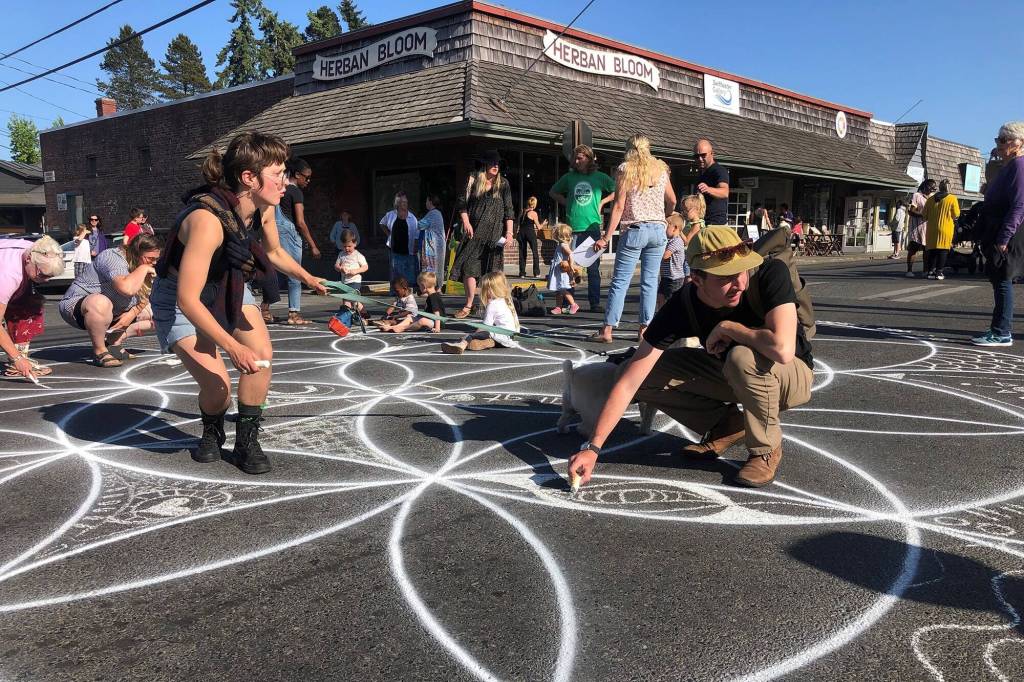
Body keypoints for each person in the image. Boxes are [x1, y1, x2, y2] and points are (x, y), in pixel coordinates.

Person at [567, 226, 814, 489]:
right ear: (697, 279)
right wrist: (593, 448)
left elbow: (782, 349)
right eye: (725, 277)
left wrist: (730, 328)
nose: (740, 284)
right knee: (636, 372)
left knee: (741, 357)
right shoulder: (684, 304)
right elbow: (630, 381)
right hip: (734, 375)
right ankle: (726, 425)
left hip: (790, 376)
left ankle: (765, 449)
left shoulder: (769, 273)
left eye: (741, 271)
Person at [150, 131, 327, 474]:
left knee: (261, 356)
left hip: (226, 283)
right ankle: (212, 430)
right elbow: (188, 299)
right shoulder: (206, 221)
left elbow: (274, 252)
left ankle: (246, 441)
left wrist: (308, 278)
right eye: (278, 174)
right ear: (249, 177)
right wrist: (232, 347)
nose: (286, 182)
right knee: (218, 387)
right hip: (180, 297)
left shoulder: (264, 207)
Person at [589, 134, 677, 343]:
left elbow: (619, 206)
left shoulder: (625, 169)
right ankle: (644, 330)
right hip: (658, 230)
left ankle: (607, 330)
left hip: (634, 229)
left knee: (621, 281)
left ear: (628, 149)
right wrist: (663, 216)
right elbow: (672, 200)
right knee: (650, 282)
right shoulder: (661, 169)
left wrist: (606, 237)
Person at [59, 232, 162, 367]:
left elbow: (146, 294)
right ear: (136, 253)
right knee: (100, 302)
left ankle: (113, 343)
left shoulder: (144, 264)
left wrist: (131, 314)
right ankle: (100, 351)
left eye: (156, 259)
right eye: (150, 258)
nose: (154, 263)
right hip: (78, 308)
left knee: (161, 309)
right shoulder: (113, 257)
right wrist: (143, 268)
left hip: (114, 310)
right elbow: (126, 288)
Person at [972, 121, 1024, 347]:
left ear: (1019, 143)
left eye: (1004, 140)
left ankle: (1002, 332)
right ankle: (998, 328)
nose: (999, 144)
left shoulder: (1019, 165)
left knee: (1003, 280)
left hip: (1005, 231)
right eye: (998, 140)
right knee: (998, 280)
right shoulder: (1009, 165)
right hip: (997, 228)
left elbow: (1020, 205)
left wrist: (1004, 237)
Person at [549, 145, 616, 311]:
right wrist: (567, 202)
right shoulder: (569, 177)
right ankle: (568, 303)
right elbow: (553, 192)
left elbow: (617, 191)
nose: (577, 161)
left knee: (592, 268)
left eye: (580, 158)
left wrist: (603, 202)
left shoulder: (600, 177)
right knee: (567, 265)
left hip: (592, 228)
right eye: (575, 158)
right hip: (571, 230)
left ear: (589, 158)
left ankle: (595, 303)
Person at [450, 150, 514, 318]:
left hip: (494, 236)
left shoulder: (503, 184)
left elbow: (509, 210)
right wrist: (466, 222)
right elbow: (462, 203)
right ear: (485, 164)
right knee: (469, 268)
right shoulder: (473, 179)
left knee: (491, 272)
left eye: (498, 164)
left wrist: (509, 232)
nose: (496, 166)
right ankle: (469, 304)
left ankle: (489, 305)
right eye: (492, 163)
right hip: (474, 234)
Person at [0, 236, 64, 380]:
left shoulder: (39, 248)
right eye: (42, 274)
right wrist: (17, 359)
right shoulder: (8, 275)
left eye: (50, 276)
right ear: (29, 259)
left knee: (30, 305)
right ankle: (18, 359)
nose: (45, 280)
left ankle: (20, 356)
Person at [276, 157, 321, 325]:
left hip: (275, 230)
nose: (308, 181)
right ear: (297, 175)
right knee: (295, 273)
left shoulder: (279, 190)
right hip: (289, 232)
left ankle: (264, 309)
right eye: (306, 177)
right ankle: (294, 314)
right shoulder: (295, 192)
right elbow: (300, 222)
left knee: (274, 271)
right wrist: (313, 245)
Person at [441, 271, 519, 353]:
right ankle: (486, 342)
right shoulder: (506, 299)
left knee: (470, 336)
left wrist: (475, 335)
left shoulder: (493, 305)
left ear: (490, 290)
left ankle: (461, 345)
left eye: (484, 288)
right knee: (483, 336)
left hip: (502, 337)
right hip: (512, 339)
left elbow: (485, 327)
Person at [658, 195, 704, 309]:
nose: (684, 213)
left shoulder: (697, 224)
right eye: (683, 210)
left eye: (686, 210)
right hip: (685, 256)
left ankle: (688, 302)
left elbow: (687, 241)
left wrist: (679, 230)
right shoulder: (690, 223)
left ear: (695, 210)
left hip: (691, 256)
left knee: (687, 280)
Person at [381, 272, 445, 333]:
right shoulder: (431, 296)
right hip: (431, 321)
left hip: (437, 323)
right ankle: (396, 327)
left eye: (419, 286)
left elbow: (437, 314)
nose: (419, 288)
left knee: (422, 320)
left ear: (423, 286)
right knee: (409, 317)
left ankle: (403, 328)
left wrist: (437, 328)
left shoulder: (433, 297)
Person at [379, 191, 419, 290]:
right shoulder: (390, 215)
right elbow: (382, 223)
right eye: (402, 202)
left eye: (406, 202)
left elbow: (416, 234)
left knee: (408, 272)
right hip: (394, 249)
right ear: (397, 203)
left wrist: (415, 246)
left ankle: (407, 291)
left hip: (408, 249)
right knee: (395, 272)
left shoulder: (412, 217)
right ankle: (394, 291)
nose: (404, 204)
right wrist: (388, 234)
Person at [923, 179, 960, 280]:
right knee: (943, 251)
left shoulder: (930, 199)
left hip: (931, 229)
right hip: (945, 228)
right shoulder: (952, 198)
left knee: (932, 251)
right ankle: (939, 272)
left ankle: (930, 272)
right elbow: (956, 214)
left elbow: (924, 215)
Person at [694, 138, 730, 226]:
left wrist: (708, 189)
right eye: (696, 156)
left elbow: (725, 192)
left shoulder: (719, 170)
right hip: (702, 222)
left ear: (712, 153)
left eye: (703, 155)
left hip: (716, 224)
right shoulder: (701, 172)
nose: (700, 159)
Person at [547, 222, 580, 315]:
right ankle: (558, 307)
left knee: (562, 289)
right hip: (558, 271)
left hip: (561, 272)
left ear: (559, 235)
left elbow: (571, 254)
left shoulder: (563, 245)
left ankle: (573, 304)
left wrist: (571, 265)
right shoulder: (561, 244)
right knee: (559, 289)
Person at [906, 179, 937, 277]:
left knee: (927, 251)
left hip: (928, 227)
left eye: (934, 188)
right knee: (913, 249)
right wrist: (923, 215)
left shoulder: (933, 197)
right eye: (931, 187)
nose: (932, 189)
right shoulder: (916, 195)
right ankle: (909, 270)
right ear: (926, 186)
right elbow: (911, 211)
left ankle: (925, 271)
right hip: (916, 227)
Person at [516, 196, 543, 279]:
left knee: (522, 253)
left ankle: (522, 273)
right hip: (530, 233)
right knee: (535, 252)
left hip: (521, 233)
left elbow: (518, 224)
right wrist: (544, 223)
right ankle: (536, 273)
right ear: (534, 204)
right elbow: (539, 227)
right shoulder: (533, 213)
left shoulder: (522, 211)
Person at [418, 195, 446, 275]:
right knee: (437, 271)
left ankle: (431, 283)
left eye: (426, 201)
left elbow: (420, 225)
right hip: (437, 246)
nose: (425, 203)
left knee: (430, 272)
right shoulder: (437, 213)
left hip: (433, 248)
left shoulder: (433, 213)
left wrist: (414, 219)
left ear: (430, 202)